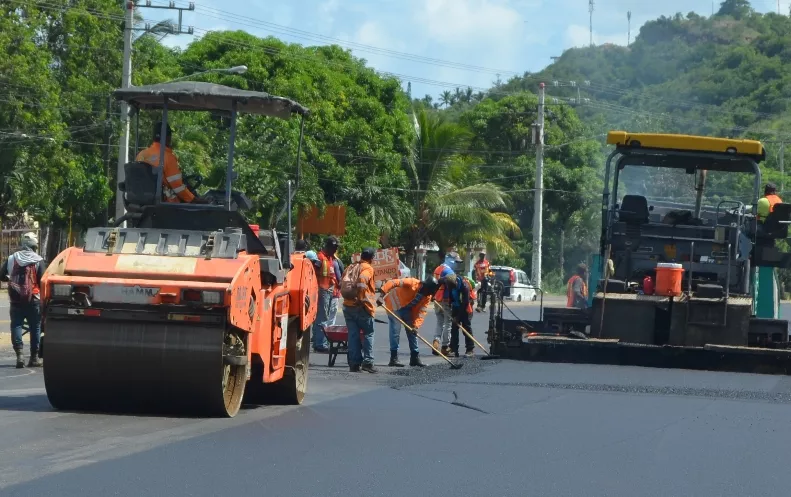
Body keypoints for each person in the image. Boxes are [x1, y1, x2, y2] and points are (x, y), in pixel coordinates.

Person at [0, 232, 46, 368]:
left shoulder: (12, 258)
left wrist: (13, 281)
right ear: (34, 245)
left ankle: (19, 355)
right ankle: (34, 358)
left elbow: (2, 276)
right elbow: (41, 281)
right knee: (35, 327)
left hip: (15, 299)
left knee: (16, 325)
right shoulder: (38, 260)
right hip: (34, 299)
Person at [378, 275, 443, 367]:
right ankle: (393, 358)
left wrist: (416, 326)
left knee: (413, 332)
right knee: (395, 331)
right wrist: (381, 295)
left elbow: (422, 312)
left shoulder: (427, 297)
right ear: (425, 287)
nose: (429, 294)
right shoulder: (412, 282)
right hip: (394, 306)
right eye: (429, 291)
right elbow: (391, 283)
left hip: (406, 309)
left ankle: (414, 357)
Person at [136, 122, 207, 204]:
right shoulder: (168, 157)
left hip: (141, 202)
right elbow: (178, 187)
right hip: (165, 205)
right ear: (168, 137)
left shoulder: (141, 154)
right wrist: (194, 200)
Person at [344, 247, 377, 373]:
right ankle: (368, 362)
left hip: (348, 306)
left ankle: (354, 363)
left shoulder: (351, 267)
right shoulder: (368, 268)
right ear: (372, 258)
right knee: (369, 333)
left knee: (353, 335)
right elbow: (362, 281)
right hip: (361, 307)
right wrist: (361, 298)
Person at [312, 237, 340, 352]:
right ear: (328, 246)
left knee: (324, 318)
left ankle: (319, 342)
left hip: (328, 291)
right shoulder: (320, 258)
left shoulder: (330, 258)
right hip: (322, 291)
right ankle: (320, 344)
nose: (335, 250)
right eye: (333, 247)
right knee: (322, 318)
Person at [432, 252, 461, 356]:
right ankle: (445, 347)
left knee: (439, 322)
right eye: (456, 262)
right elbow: (453, 286)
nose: (457, 264)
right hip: (445, 300)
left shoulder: (438, 268)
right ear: (450, 260)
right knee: (447, 323)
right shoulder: (449, 271)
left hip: (436, 299)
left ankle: (436, 342)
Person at [448, 274, 476, 358]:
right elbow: (451, 297)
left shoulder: (465, 287)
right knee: (454, 328)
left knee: (466, 328)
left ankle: (470, 350)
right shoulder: (450, 284)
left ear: (456, 282)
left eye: (454, 286)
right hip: (456, 306)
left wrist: (458, 317)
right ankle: (454, 350)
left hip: (466, 308)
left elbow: (465, 303)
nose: (452, 288)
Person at [327, 254, 344, 326]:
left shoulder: (321, 261)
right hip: (334, 293)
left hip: (322, 294)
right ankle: (327, 334)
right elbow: (340, 279)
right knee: (331, 318)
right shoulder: (335, 263)